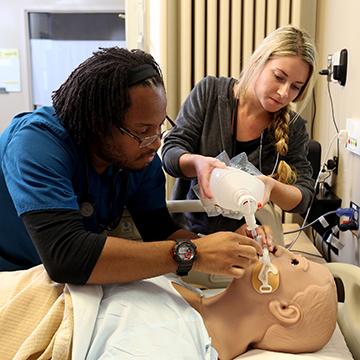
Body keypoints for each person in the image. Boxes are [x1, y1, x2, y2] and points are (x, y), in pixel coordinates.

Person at [0, 47, 264, 284]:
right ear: (98, 124)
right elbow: (66, 257)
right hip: (12, 274)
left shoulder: (139, 160)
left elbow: (159, 231)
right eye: (144, 130)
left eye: (160, 126)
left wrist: (226, 248)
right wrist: (194, 253)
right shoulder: (36, 145)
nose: (155, 143)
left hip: (66, 279)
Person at [162, 25, 317, 236]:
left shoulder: (294, 127)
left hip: (244, 241)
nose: (284, 93)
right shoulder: (210, 92)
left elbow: (304, 196)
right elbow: (171, 154)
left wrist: (271, 187)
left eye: (295, 87)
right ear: (258, 62)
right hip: (187, 236)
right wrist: (197, 163)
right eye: (279, 77)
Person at [82, 246, 337, 359]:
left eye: (294, 262)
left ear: (284, 310)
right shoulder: (187, 292)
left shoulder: (175, 343)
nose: (280, 249)